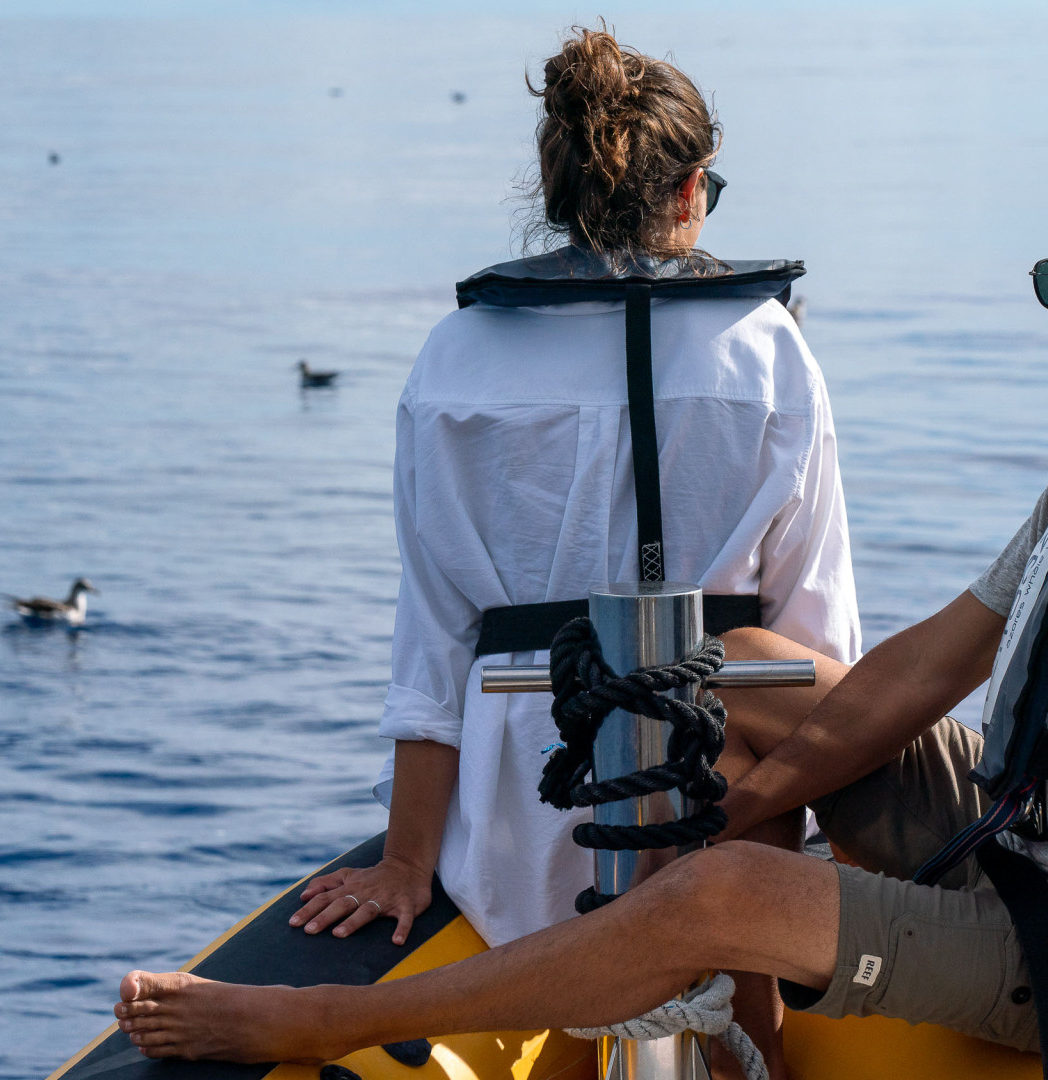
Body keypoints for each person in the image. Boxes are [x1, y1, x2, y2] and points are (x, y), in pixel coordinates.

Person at [113, 157, 1048, 1078]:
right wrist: (733, 805)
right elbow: (924, 667)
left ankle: (325, 1019)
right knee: (739, 668)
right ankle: (720, 967)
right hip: (1039, 830)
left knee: (721, 900)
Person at [278, 27, 862, 1076]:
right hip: (721, 803)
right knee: (730, 980)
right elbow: (817, 640)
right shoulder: (771, 351)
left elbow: (437, 639)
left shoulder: (455, 360)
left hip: (528, 822)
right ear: (689, 194)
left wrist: (410, 858)